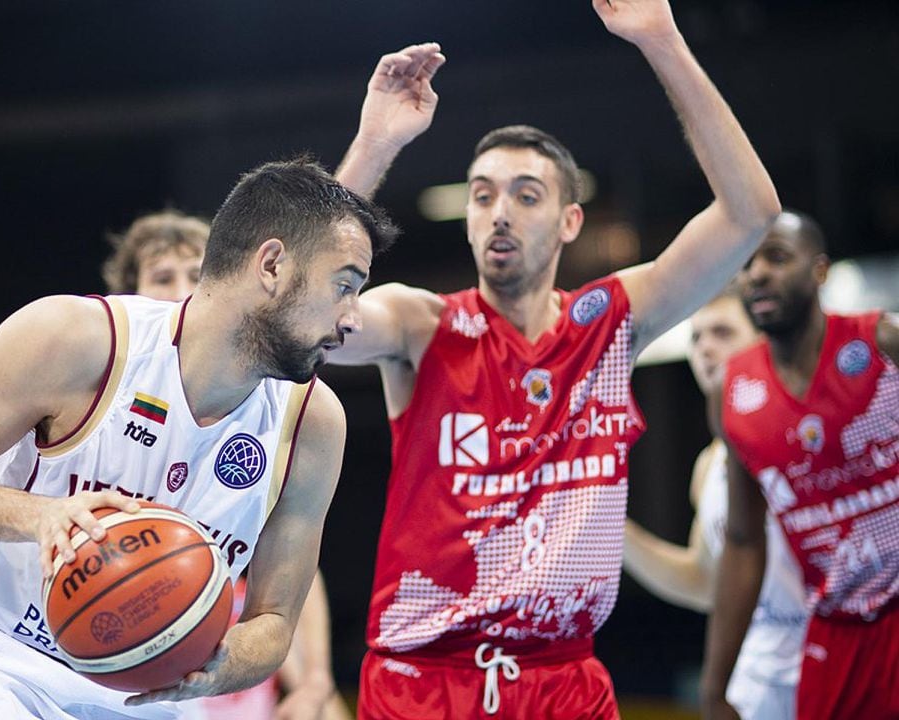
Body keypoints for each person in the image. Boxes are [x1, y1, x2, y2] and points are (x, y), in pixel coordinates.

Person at [329, 1, 782, 716]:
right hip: (424, 681)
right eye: (482, 196)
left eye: (525, 194)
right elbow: (305, 308)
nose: (499, 212)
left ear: (572, 220)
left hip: (563, 682)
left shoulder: (609, 322)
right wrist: (374, 145)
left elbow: (751, 211)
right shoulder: (422, 324)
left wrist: (660, 38)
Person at [0, 158, 399, 719]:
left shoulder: (314, 424)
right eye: (345, 287)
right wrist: (42, 517)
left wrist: (214, 660)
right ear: (270, 265)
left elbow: (272, 622)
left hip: (144, 697)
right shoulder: (75, 338)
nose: (354, 319)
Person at [102, 208, 354, 720]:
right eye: (162, 277)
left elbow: (291, 572)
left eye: (194, 276)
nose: (180, 290)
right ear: (129, 294)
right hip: (100, 630)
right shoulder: (100, 377)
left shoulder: (270, 404)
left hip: (213, 655)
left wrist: (316, 682)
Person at [700, 210, 899, 720]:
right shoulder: (733, 392)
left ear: (820, 270)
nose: (758, 273)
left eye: (777, 257)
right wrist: (715, 686)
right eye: (746, 264)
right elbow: (744, 542)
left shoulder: (881, 342)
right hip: (837, 631)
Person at [623, 289, 808, 719]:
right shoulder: (710, 464)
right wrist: (612, 530)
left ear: (764, 340)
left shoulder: (816, 432)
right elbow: (708, 582)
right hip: (755, 684)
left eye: (722, 333)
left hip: (831, 668)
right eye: (696, 337)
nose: (705, 348)